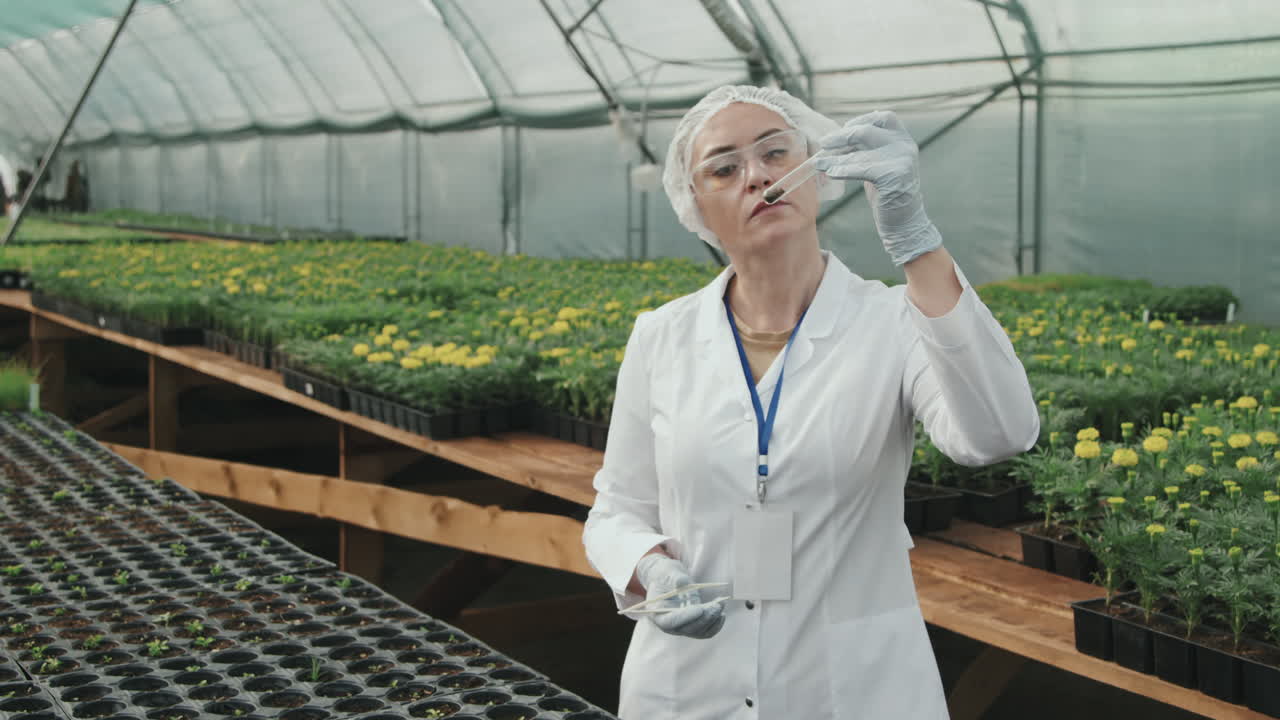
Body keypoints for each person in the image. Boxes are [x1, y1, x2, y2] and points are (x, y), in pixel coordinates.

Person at [582, 85, 1039, 719]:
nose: (758, 176)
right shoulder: (661, 337)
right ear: (696, 209)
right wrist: (649, 570)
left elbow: (999, 432)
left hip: (854, 688)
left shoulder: (891, 321)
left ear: (816, 175)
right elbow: (616, 510)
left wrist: (916, 242)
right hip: (689, 690)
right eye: (724, 167)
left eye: (776, 152)